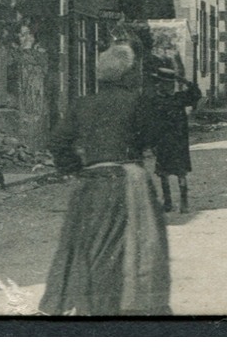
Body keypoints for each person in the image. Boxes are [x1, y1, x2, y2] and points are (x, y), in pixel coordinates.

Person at [41, 44, 172, 316]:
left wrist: (75, 167)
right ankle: (128, 309)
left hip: (90, 181)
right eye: (134, 70)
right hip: (127, 179)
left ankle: (92, 309)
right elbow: (155, 137)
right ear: (126, 75)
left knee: (88, 247)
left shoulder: (83, 103)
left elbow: (57, 140)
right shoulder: (137, 101)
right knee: (135, 248)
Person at [149, 62, 202, 213]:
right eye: (166, 84)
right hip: (162, 141)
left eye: (171, 84)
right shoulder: (154, 101)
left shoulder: (179, 98)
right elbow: (151, 123)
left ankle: (184, 202)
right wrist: (152, 143)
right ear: (159, 84)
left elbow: (196, 94)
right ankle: (168, 202)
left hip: (178, 141)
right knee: (163, 174)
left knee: (181, 173)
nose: (169, 87)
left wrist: (184, 81)